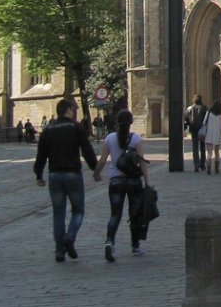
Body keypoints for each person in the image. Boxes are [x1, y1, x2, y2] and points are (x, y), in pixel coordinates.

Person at [33, 96, 99, 262]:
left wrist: (39, 175)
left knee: (58, 214)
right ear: (68, 111)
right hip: (73, 174)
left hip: (55, 175)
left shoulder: (48, 129)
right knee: (78, 210)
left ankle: (59, 251)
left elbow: (41, 155)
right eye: (73, 110)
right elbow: (87, 150)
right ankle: (70, 237)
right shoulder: (76, 127)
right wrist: (95, 169)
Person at [95, 108, 148, 259]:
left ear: (117, 122)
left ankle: (109, 241)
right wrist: (147, 181)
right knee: (134, 214)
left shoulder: (110, 138)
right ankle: (135, 246)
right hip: (133, 181)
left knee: (115, 214)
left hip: (116, 181)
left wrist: (96, 173)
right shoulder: (136, 139)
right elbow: (142, 163)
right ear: (131, 123)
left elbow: (103, 160)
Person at [185, 94, 209, 172]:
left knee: (195, 147)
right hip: (202, 129)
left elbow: (186, 118)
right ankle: (202, 164)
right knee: (202, 146)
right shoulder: (205, 108)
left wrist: (189, 124)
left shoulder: (189, 108)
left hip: (193, 129)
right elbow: (207, 118)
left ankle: (196, 164)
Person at [201, 100, 221, 173]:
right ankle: (216, 168)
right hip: (217, 134)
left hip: (209, 134)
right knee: (217, 152)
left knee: (209, 152)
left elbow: (204, 122)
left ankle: (208, 165)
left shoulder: (208, 113)